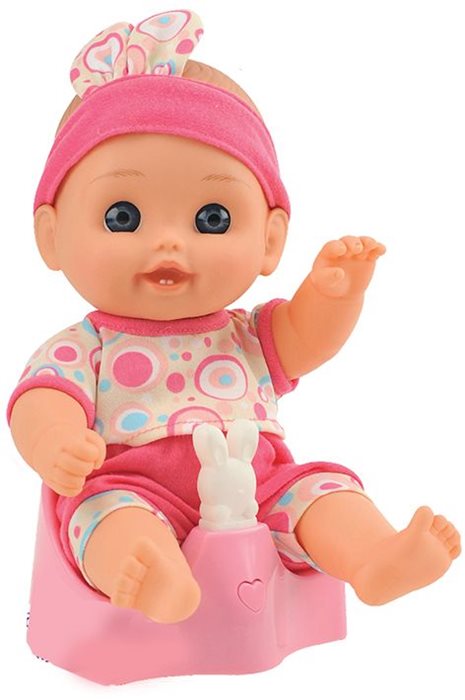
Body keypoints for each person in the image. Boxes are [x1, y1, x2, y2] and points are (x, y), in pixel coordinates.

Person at [7, 8, 460, 625]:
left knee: (321, 492)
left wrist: (334, 295)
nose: (169, 242)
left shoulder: (245, 335)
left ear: (270, 240)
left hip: (260, 487)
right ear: (51, 235)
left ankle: (374, 558)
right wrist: (54, 442)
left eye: (211, 219)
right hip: (134, 487)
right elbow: (41, 399)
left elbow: (305, 338)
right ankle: (149, 577)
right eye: (123, 217)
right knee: (107, 518)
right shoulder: (86, 347)